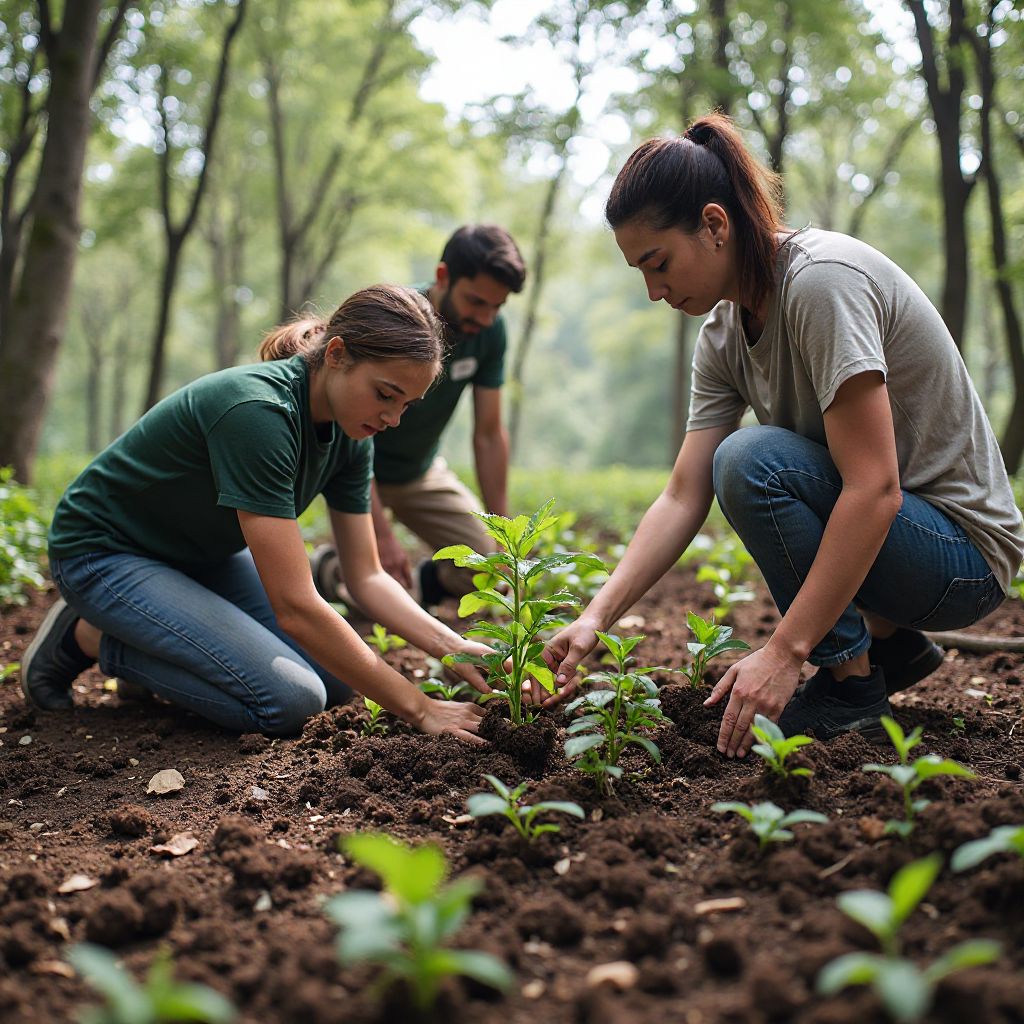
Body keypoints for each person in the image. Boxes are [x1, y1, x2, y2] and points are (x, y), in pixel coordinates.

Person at [544, 112, 1024, 758]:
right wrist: (594, 617)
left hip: (965, 557)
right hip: (904, 548)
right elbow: (682, 495)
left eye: (658, 263)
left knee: (751, 461)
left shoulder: (822, 283)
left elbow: (875, 488)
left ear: (714, 225)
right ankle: (889, 646)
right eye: (640, 272)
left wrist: (785, 651)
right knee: (740, 462)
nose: (654, 291)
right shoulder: (723, 336)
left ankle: (851, 689)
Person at [21, 285, 491, 741]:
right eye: (385, 394)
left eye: (406, 404)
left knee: (336, 683)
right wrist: (420, 708)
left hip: (199, 556)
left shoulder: (353, 433)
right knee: (291, 701)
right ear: (336, 355)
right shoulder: (260, 412)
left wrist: (452, 646)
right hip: (104, 552)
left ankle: (152, 630)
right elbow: (295, 608)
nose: (393, 419)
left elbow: (366, 576)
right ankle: (88, 636)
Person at [312, 224, 526, 609]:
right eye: (476, 301)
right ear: (443, 276)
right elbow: (347, 429)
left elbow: (489, 434)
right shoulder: (395, 320)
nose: (486, 317)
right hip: (354, 467)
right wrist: (381, 536)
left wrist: (503, 534)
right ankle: (332, 570)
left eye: (497, 307)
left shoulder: (489, 333)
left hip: (419, 473)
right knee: (373, 586)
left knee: (490, 571)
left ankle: (423, 583)